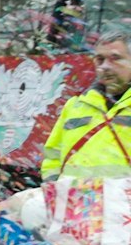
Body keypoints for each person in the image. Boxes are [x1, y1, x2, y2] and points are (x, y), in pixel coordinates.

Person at [41, 30, 131, 178]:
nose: (105, 66)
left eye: (115, 58)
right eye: (100, 59)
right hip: (75, 199)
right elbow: (53, 156)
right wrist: (54, 188)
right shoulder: (75, 106)